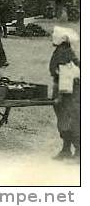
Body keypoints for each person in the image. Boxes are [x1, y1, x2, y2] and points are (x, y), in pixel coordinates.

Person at [49, 26, 80, 161]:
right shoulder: (64, 50)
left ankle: (79, 153)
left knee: (71, 120)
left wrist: (60, 96)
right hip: (64, 88)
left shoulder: (63, 52)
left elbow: (65, 76)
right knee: (64, 121)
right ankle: (66, 149)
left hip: (67, 91)